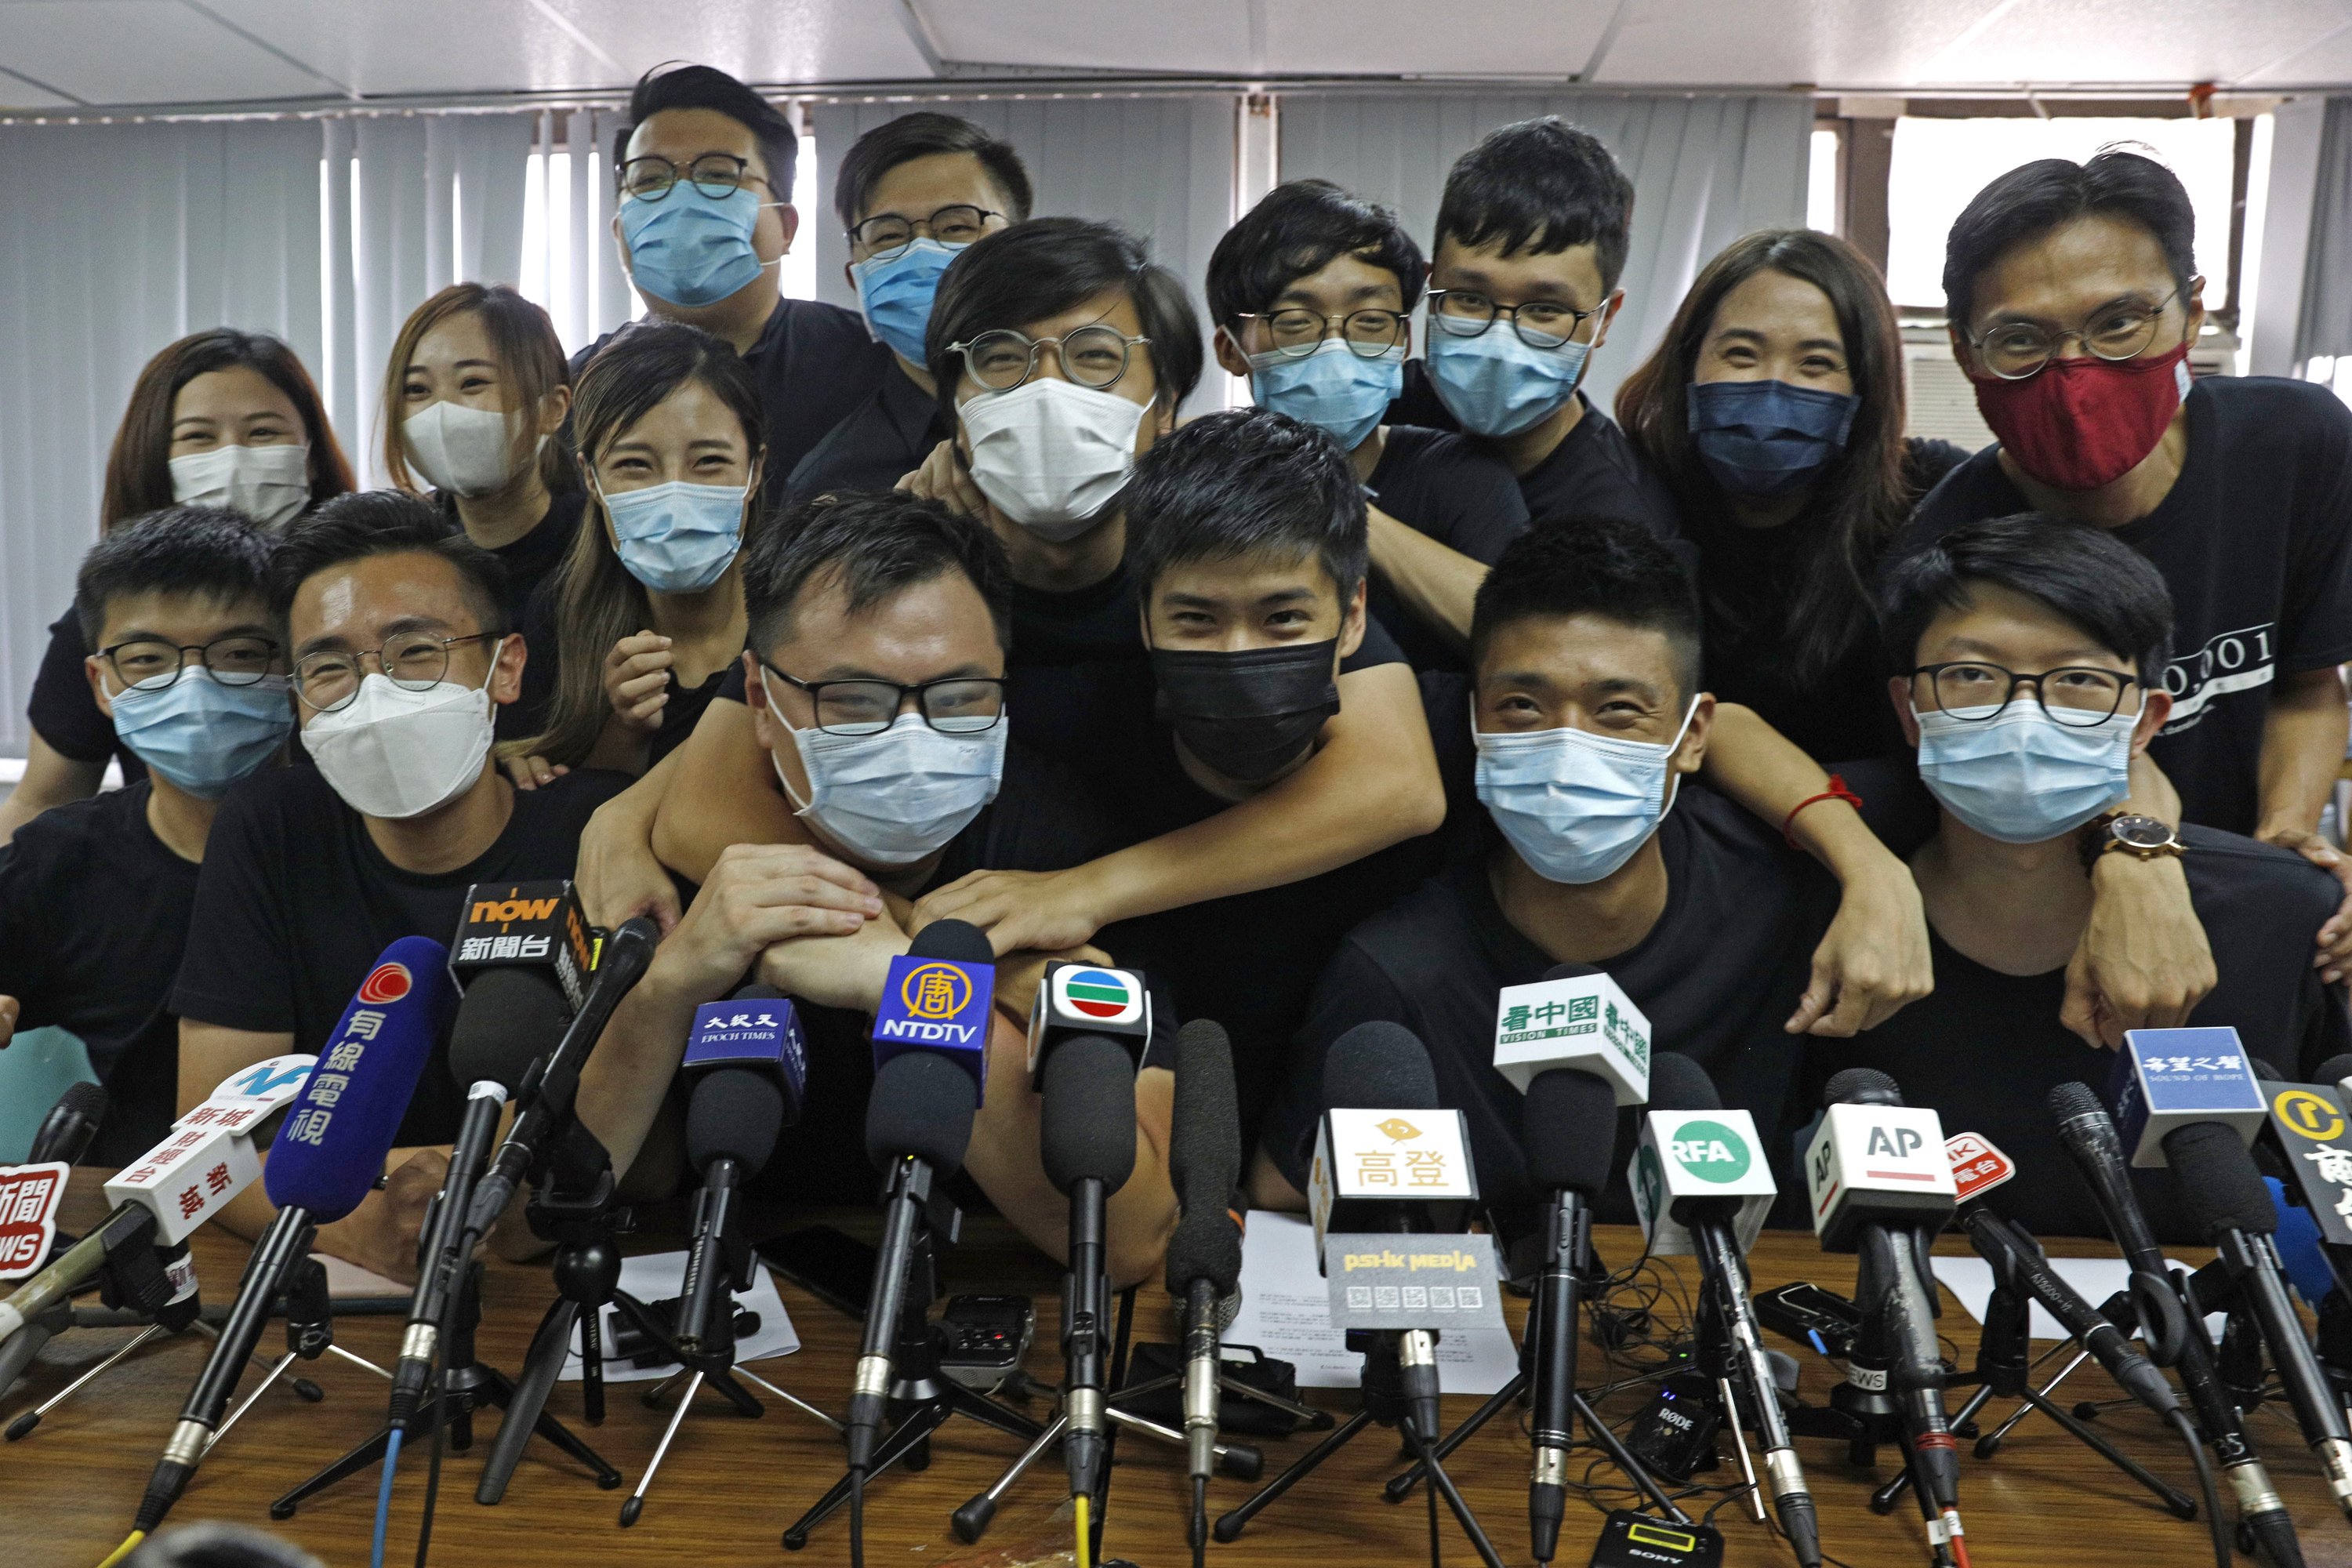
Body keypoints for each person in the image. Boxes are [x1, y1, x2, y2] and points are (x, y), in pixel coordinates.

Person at [643, 222, 1446, 990]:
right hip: (1005, 977)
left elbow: (1398, 781)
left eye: (1096, 357)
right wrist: (941, 952)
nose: (1046, 392)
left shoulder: (1212, 552)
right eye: (1001, 359)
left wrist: (1082, 893)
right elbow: (704, 804)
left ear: (1165, 403)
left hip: (1238, 941)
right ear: (953, 408)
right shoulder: (908, 570)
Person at [572, 490, 1176, 1283]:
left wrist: (905, 986)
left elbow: (1130, 1237)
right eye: (855, 701)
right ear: (758, 698)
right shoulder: (670, 877)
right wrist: (668, 989)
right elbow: (544, 1212)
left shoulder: (1065, 866)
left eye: (961, 698)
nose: (914, 734)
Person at [1249, 517, 1840, 1230]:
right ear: (1475, 722)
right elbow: (1285, 1190)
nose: (1568, 747)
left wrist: (1874, 873)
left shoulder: (1783, 897)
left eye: (1618, 712)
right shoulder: (1397, 971)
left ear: (1693, 736)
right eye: (1523, 707)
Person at [1814, 515, 2350, 1243]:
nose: (2023, 714)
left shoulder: (2289, 919)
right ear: (1909, 710)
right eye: (1971, 673)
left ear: (2146, 720)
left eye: (2080, 680)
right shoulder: (1823, 910)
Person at [170, 493, 623, 1280]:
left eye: (415, 652)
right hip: (345, 1274)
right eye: (329, 666)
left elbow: (631, 1137)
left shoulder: (596, 834)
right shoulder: (271, 826)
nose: (371, 694)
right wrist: (358, 1228)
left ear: (504, 667)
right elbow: (213, 1138)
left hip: (546, 1273)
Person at [1903, 151, 2352, 931]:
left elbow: (2308, 684)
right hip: (2050, 909)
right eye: (2021, 338)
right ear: (1964, 349)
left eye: (2118, 323)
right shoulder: (1945, 554)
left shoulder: (2296, 448)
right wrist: (2140, 860)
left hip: (2237, 885)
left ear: (2193, 310)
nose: (2075, 371)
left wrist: (2285, 847)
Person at [0, 509, 289, 1163]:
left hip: (353, 1212)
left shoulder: (367, 841)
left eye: (240, 654)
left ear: (293, 665)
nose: (194, 685)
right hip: (136, 1220)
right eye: (147, 659)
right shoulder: (66, 861)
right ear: (102, 685)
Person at [1617, 229, 1968, 762]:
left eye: (1816, 364)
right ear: (1688, 363)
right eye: (1741, 354)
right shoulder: (1627, 489)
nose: (1773, 386)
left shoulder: (1932, 493)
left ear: (1864, 389)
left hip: (1878, 818)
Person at [3, 329, 350, 843]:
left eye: (262, 433)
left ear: (311, 454)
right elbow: (44, 796)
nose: (232, 460)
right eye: (198, 438)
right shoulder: (116, 618)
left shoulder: (360, 601)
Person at [1207, 179, 1527, 670]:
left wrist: (1332, 500)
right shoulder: (1205, 487)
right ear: (1232, 350)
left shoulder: (1462, 477)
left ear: (1403, 341)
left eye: (1372, 320)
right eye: (1296, 321)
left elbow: (1523, 642)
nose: (1337, 345)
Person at [584, 62, 891, 502]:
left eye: (718, 175)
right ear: (619, 231)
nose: (680, 200)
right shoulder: (577, 389)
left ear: (786, 226)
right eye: (650, 179)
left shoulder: (873, 368)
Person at [1388, 116, 1680, 544]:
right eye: (1470, 298)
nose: (1500, 340)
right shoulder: (1380, 408)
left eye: (1544, 309)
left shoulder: (1626, 525)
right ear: (1431, 287)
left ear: (1605, 318)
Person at [504, 321, 765, 785]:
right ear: (591, 479)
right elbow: (573, 810)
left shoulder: (804, 615)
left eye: (708, 462)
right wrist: (622, 729)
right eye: (634, 465)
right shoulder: (560, 620)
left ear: (755, 469)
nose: (674, 496)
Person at [786, 111, 1030, 504]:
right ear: (857, 279)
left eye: (955, 227)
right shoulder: (834, 485)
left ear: (1021, 248)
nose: (920, 252)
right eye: (889, 236)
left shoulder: (1097, 424)